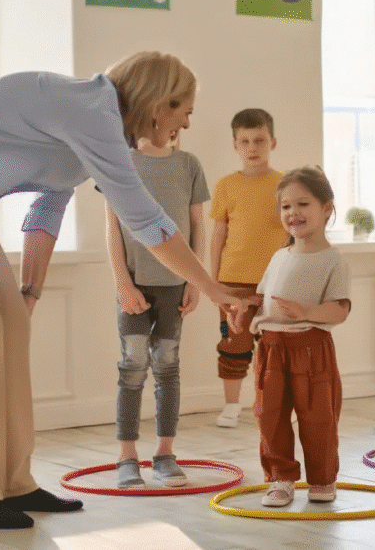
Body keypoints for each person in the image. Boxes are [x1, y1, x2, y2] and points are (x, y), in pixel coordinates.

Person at [0, 52, 247, 530]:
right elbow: (144, 219)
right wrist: (209, 284)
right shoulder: (90, 111)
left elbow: (47, 208)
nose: (186, 122)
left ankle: (12, 482)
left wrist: (29, 291)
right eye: (184, 109)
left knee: (9, 328)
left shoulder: (94, 127)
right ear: (158, 103)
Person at [232, 166, 350, 507]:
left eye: (302, 204)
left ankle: (323, 479)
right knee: (268, 416)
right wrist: (245, 312)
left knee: (319, 418)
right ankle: (280, 478)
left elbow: (339, 310)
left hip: (311, 347)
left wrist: (306, 312)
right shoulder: (279, 256)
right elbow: (265, 301)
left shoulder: (332, 260)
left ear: (326, 208)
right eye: (285, 206)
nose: (292, 213)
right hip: (270, 348)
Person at [106, 127, 209, 489]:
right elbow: (113, 228)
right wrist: (122, 281)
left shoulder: (188, 165)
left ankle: (165, 454)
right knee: (132, 365)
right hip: (133, 286)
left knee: (167, 366)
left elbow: (198, 226)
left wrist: (195, 281)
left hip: (175, 287)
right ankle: (126, 457)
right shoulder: (120, 164)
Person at [211, 109, 289, 428]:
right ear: (235, 146)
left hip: (276, 282)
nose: (252, 147)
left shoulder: (285, 184)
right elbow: (218, 234)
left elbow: (292, 232)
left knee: (277, 348)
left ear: (272, 142)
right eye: (244, 141)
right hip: (233, 280)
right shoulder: (226, 185)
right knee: (234, 344)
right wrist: (212, 282)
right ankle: (232, 405)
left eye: (259, 140)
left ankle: (273, 404)